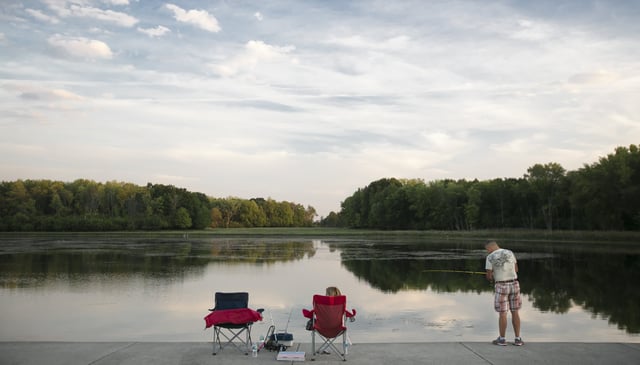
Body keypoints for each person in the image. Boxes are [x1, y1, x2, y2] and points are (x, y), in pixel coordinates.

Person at [485, 240, 524, 346]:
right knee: (515, 311)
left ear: (490, 248)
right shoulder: (510, 252)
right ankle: (518, 339)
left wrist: (491, 275)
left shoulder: (490, 257)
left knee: (503, 313)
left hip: (501, 286)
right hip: (514, 284)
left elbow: (489, 276)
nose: (487, 252)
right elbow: (516, 269)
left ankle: (502, 339)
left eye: (487, 250)